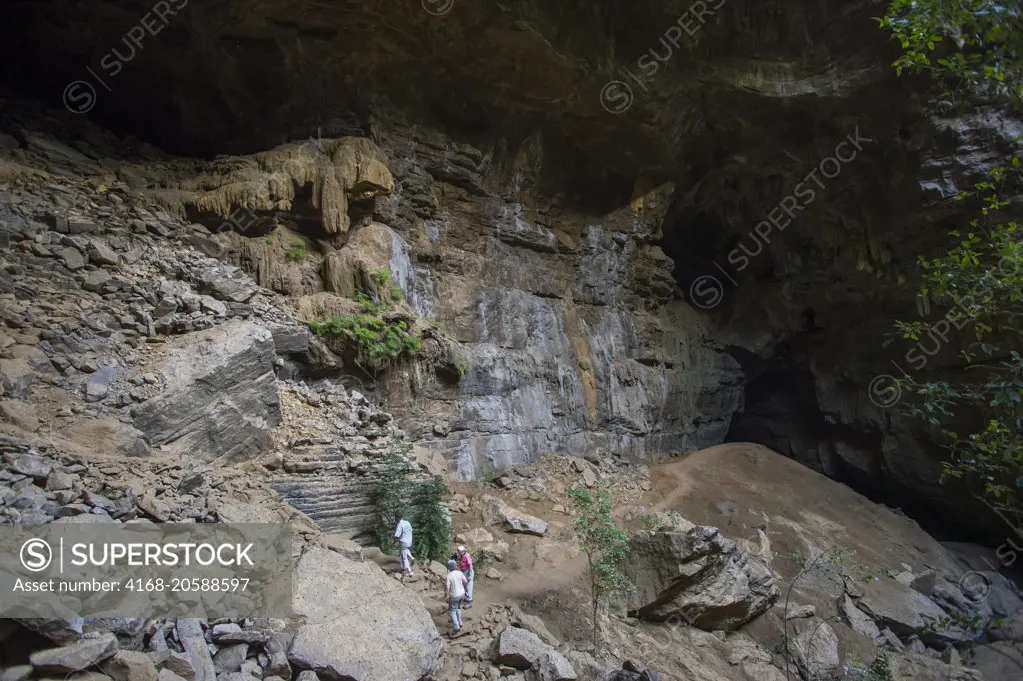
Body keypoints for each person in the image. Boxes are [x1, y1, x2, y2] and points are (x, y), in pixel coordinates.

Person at [444, 558, 468, 635]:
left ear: (449, 567)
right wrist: (465, 589)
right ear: (455, 566)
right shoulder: (460, 573)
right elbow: (465, 581)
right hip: (462, 594)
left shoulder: (449, 576)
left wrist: (447, 595)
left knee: (452, 611)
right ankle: (460, 623)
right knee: (458, 608)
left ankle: (456, 626)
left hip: (454, 595)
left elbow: (447, 587)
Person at [456, 545, 474, 609]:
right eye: (458, 552)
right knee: (464, 585)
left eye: (459, 552)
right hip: (464, 572)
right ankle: (466, 598)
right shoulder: (462, 555)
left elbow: (470, 566)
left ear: (463, 551)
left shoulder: (467, 556)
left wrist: (470, 575)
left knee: (469, 586)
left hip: (468, 572)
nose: (458, 553)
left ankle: (470, 603)